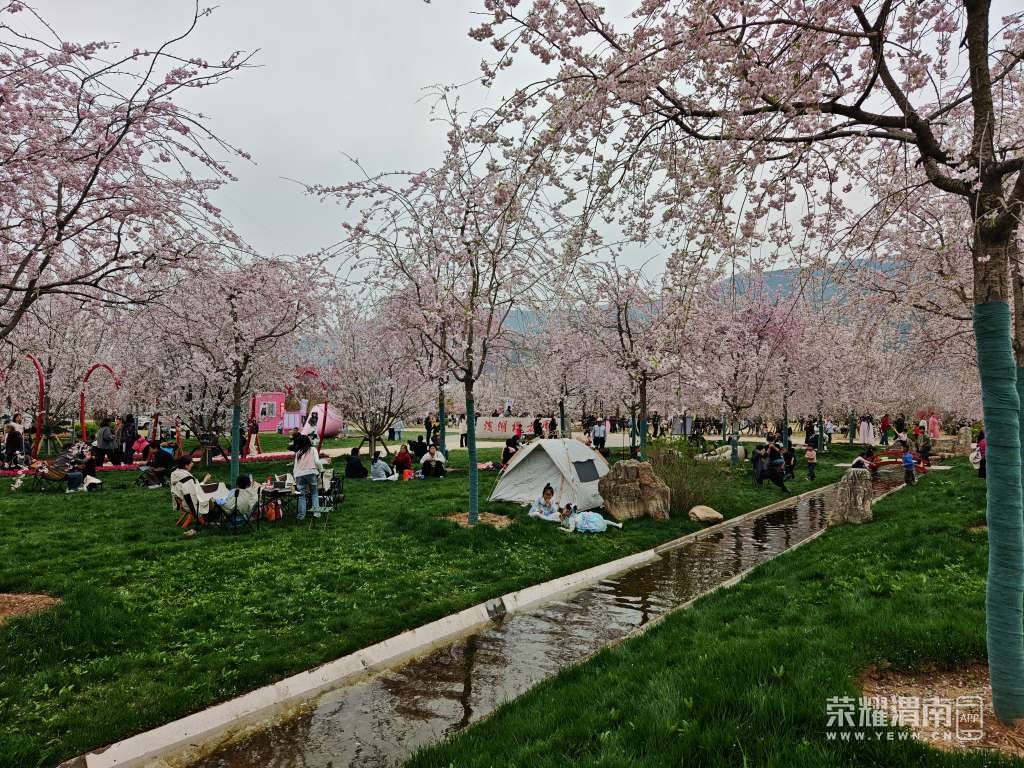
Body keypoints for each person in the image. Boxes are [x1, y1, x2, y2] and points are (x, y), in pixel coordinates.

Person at [293, 434, 324, 520]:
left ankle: (301, 516)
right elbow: (317, 462)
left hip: (299, 474)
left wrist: (295, 477)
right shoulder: (313, 449)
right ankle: (316, 513)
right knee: (314, 493)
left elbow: (295, 467)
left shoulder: (298, 453)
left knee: (301, 495)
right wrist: (321, 470)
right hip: (311, 472)